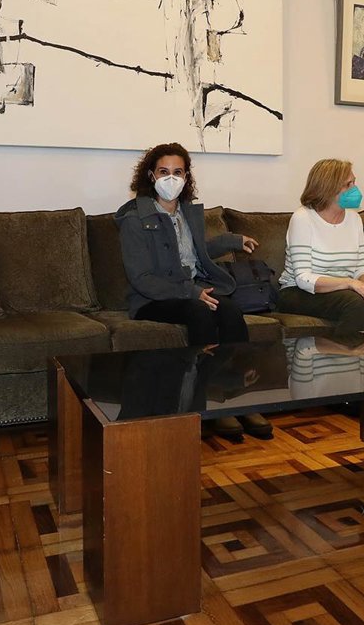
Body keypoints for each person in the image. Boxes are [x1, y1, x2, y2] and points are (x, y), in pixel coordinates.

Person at [115, 142, 270, 441]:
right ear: (150, 175)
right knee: (199, 312)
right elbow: (141, 278)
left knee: (230, 311)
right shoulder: (135, 219)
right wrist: (191, 292)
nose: (171, 178)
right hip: (152, 299)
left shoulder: (187, 212)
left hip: (190, 290)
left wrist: (232, 241)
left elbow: (195, 252)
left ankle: (237, 397)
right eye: (164, 172)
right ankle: (200, 404)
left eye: (178, 172)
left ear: (186, 177)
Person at [277, 158, 364, 336]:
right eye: (348, 184)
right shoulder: (303, 218)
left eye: (354, 182)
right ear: (328, 188)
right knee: (355, 303)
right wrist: (351, 283)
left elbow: (361, 267)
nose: (355, 189)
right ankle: (344, 350)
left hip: (342, 291)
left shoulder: (354, 219)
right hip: (298, 292)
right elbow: (303, 278)